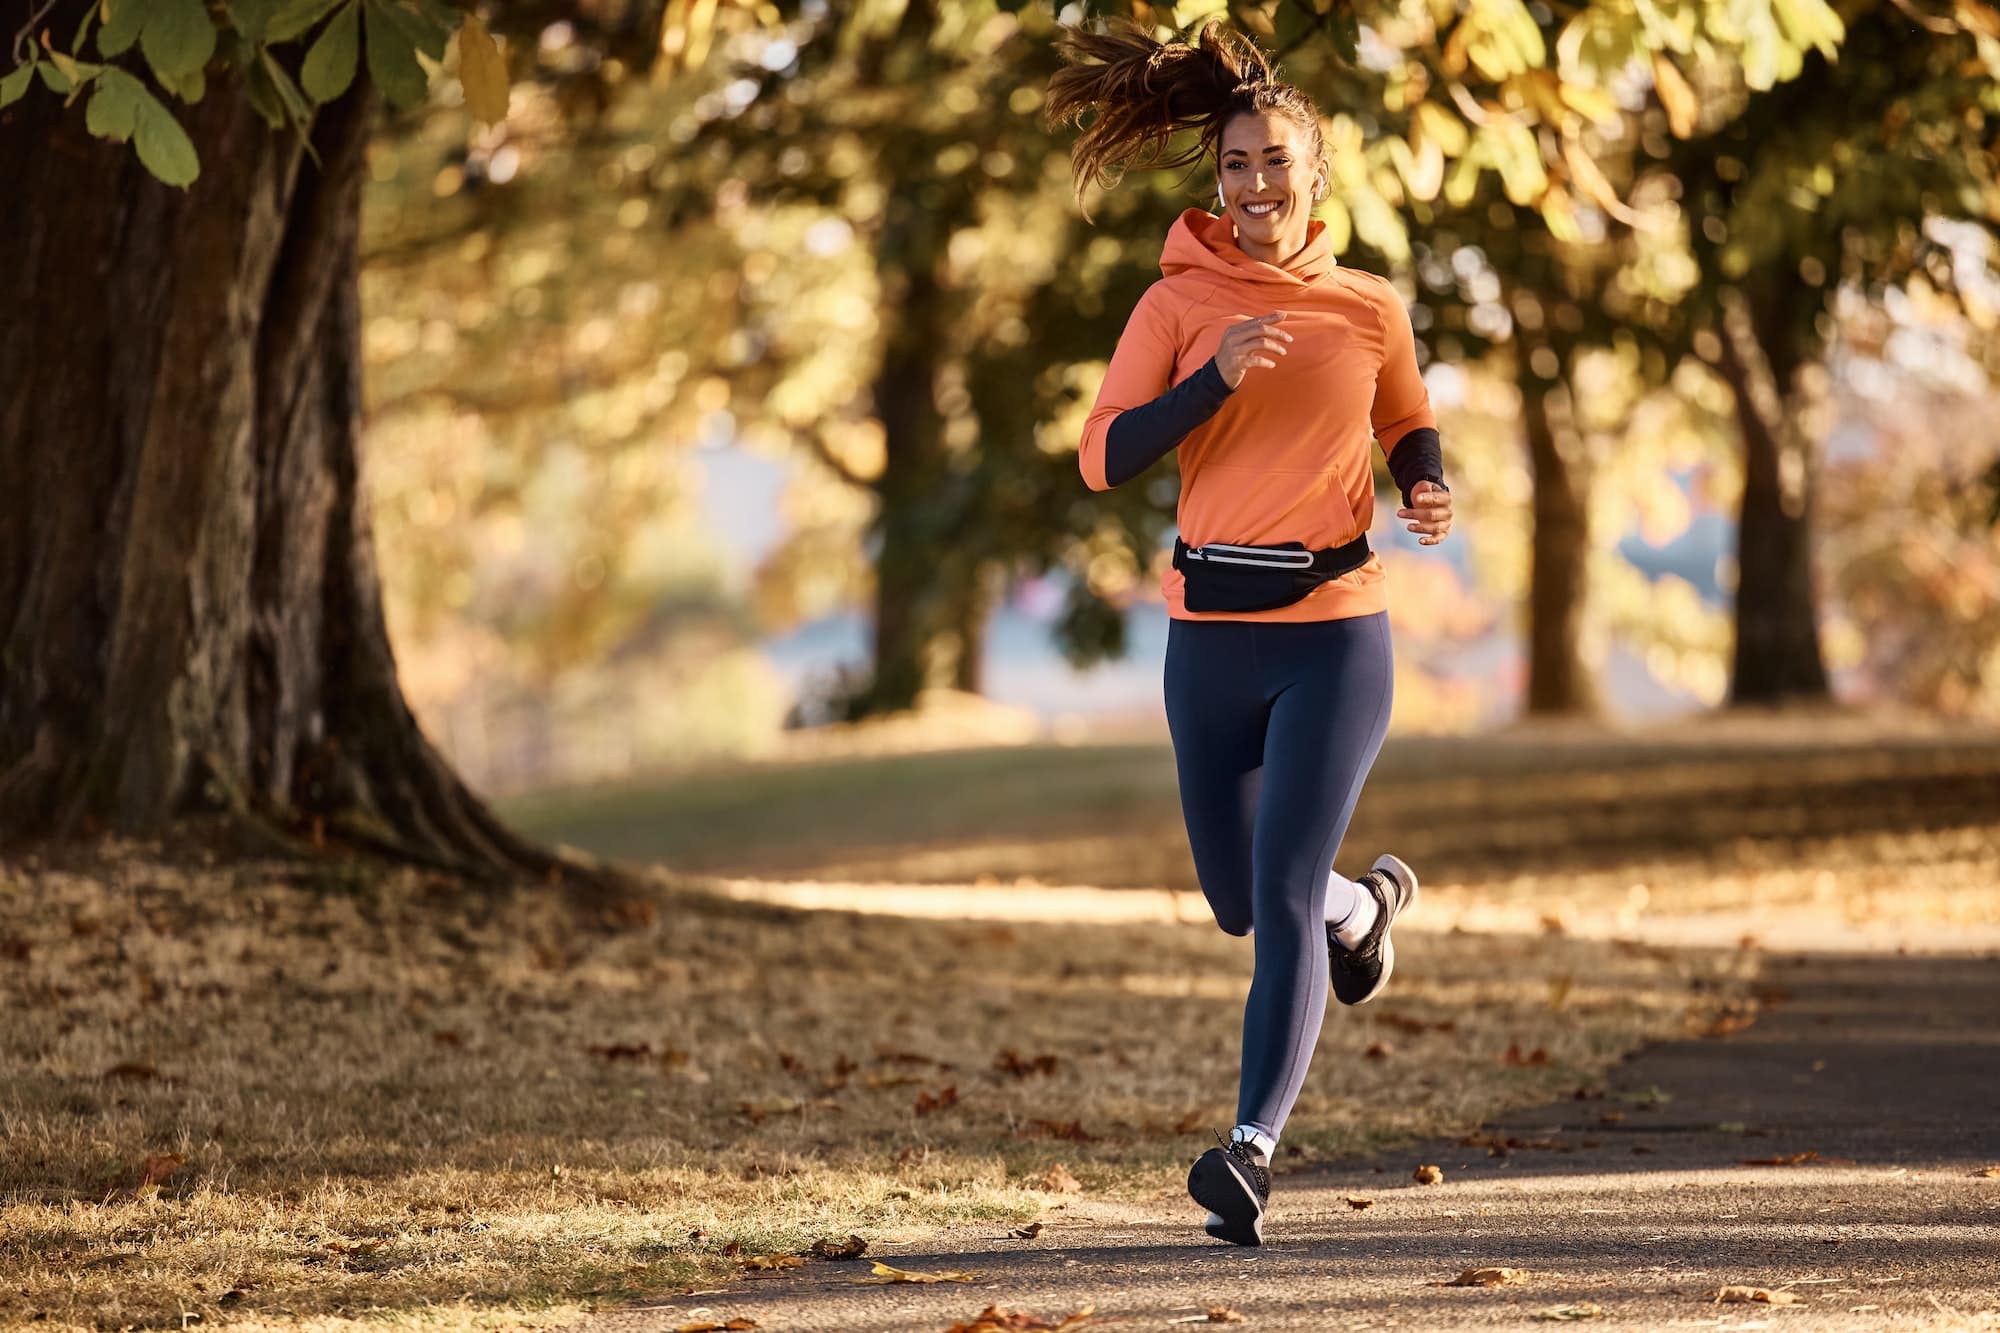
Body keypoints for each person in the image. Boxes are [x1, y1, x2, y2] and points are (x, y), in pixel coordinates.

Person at [1047, 16, 1455, 1248]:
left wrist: (1423, 479)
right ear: (1215, 179)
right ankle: (1358, 912)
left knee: (1271, 893)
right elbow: (1102, 455)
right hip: (1207, 634)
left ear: (1314, 175)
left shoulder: (1368, 306)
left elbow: (1405, 419)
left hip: (1335, 632)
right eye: (1236, 165)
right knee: (1238, 896)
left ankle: (1248, 1151)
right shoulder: (1174, 303)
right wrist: (1208, 378)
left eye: (1277, 161)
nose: (1257, 183)